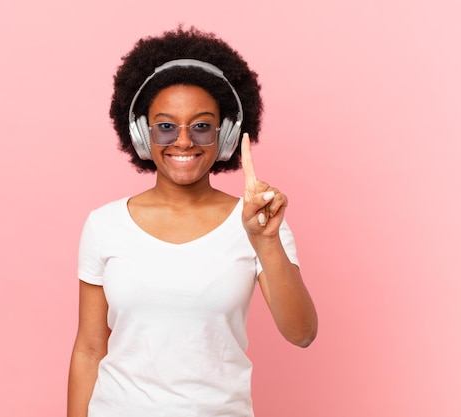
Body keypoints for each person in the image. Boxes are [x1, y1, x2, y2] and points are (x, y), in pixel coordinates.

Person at [67, 26, 318, 417]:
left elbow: (302, 333)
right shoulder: (105, 225)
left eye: (201, 126)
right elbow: (89, 348)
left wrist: (265, 242)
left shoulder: (257, 223)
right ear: (140, 134)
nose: (183, 141)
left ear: (227, 134)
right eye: (166, 126)